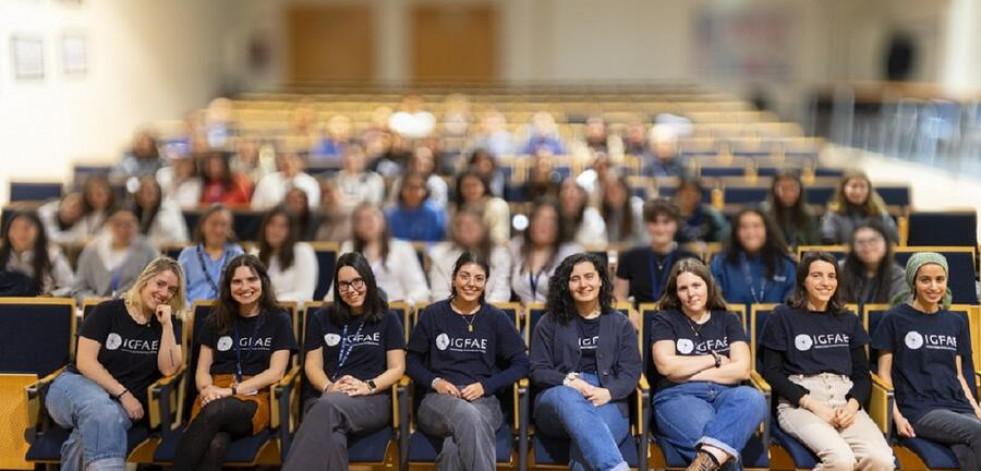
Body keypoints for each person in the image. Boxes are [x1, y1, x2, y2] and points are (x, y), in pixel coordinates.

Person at [45, 257, 185, 471]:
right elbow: (85, 361)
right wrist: (123, 393)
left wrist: (166, 326)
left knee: (88, 434)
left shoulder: (169, 324)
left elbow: (168, 369)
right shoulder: (108, 311)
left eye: (172, 290)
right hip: (75, 388)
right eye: (160, 284)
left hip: (120, 408)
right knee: (103, 410)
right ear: (144, 280)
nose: (164, 293)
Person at [761, 252, 894, 471]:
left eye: (831, 276)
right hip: (801, 401)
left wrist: (851, 407)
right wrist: (814, 406)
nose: (826, 283)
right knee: (841, 461)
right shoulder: (783, 316)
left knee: (882, 461)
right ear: (803, 280)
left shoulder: (848, 319)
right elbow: (772, 372)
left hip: (845, 400)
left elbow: (862, 374)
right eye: (817, 275)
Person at [171, 254, 297, 471]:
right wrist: (207, 389)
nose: (244, 287)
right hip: (213, 392)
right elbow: (201, 370)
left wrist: (229, 392)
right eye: (236, 282)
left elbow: (275, 372)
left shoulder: (279, 319)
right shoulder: (216, 319)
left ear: (262, 282)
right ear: (228, 287)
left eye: (251, 279)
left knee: (217, 410)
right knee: (216, 443)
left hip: (255, 395)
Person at [282, 252, 406, 471]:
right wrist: (329, 387)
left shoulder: (388, 317)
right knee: (334, 435)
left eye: (357, 282)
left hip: (371, 400)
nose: (351, 290)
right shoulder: (322, 318)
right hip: (325, 395)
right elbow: (312, 364)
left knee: (326, 410)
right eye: (344, 285)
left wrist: (368, 386)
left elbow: (398, 367)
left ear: (368, 280)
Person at [406, 252, 529, 471]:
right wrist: (435, 382)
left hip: (485, 401)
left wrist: (486, 386)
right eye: (465, 276)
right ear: (453, 279)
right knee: (466, 415)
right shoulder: (433, 315)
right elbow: (411, 361)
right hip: (437, 400)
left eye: (479, 278)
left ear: (486, 283)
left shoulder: (495, 318)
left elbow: (521, 363)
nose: (471, 284)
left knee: (453, 448)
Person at [650, 258, 767, 471]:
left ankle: (702, 464)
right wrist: (714, 359)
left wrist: (684, 371)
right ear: (676, 293)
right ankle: (708, 460)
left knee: (754, 397)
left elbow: (741, 369)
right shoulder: (664, 319)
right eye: (683, 288)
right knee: (725, 454)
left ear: (708, 285)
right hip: (679, 396)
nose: (691, 293)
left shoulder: (728, 319)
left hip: (727, 396)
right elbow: (666, 368)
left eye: (696, 285)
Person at [529, 252, 642, 471]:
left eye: (589, 276)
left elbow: (631, 371)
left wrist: (608, 393)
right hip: (557, 402)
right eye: (575, 279)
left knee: (588, 444)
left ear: (601, 279)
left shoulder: (621, 324)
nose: (583, 284)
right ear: (566, 285)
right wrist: (568, 381)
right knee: (568, 398)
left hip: (608, 399)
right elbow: (537, 369)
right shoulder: (548, 322)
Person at [872, 252, 981, 471]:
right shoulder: (894, 319)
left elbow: (958, 374)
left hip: (957, 406)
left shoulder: (955, 321)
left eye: (939, 280)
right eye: (925, 280)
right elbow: (884, 375)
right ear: (913, 282)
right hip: (920, 409)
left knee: (966, 449)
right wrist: (897, 417)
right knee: (978, 433)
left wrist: (976, 408)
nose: (933, 287)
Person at [329, 203, 430, 305]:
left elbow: (420, 290)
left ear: (382, 220)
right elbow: (335, 290)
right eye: (359, 220)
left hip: (393, 311)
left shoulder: (402, 249)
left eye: (369, 219)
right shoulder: (348, 248)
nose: (364, 224)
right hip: (355, 312)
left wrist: (406, 303)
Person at [615, 198, 699, 306]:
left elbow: (698, 298)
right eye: (654, 222)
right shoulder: (630, 257)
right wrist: (630, 314)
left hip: (679, 319)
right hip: (639, 320)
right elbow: (619, 295)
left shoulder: (691, 259)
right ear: (647, 225)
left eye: (666, 222)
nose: (660, 229)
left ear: (676, 225)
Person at [710, 208, 796, 306]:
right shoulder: (720, 264)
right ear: (736, 233)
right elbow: (715, 305)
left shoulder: (785, 264)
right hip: (731, 321)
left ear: (767, 230)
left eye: (756, 226)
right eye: (744, 227)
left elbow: (792, 306)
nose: (750, 232)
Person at [72, 207, 159, 302]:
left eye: (129, 225)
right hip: (97, 308)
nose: (123, 229)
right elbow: (78, 289)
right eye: (117, 224)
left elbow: (157, 285)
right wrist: (94, 300)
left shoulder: (148, 251)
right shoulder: (92, 252)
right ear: (107, 224)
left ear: (137, 225)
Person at [429, 207, 511, 303]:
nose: (468, 228)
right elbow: (440, 294)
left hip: (490, 314)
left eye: (474, 223)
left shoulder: (500, 254)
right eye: (463, 224)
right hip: (450, 314)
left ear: (484, 227)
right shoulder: (440, 254)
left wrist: (482, 314)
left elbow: (501, 292)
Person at [510, 198, 583, 304]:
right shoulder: (516, 247)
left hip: (558, 317)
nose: (543, 224)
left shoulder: (571, 252)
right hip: (521, 318)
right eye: (538, 218)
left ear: (558, 226)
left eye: (550, 220)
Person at [178, 205, 245, 304]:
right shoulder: (187, 255)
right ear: (203, 226)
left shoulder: (237, 254)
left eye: (224, 225)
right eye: (214, 224)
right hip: (192, 312)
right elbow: (178, 291)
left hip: (227, 313)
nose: (218, 230)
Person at [0, 211, 74, 296]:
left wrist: (51, 296)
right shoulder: (2, 254)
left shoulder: (51, 254)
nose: (20, 233)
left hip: (41, 306)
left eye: (26, 228)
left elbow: (71, 287)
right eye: (15, 228)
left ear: (39, 230)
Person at [254, 205, 317, 302]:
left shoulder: (303, 252)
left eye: (282, 226)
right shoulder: (255, 254)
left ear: (291, 231)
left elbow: (305, 296)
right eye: (272, 224)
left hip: (291, 314)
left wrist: (271, 301)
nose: (275, 230)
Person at [820, 171, 898, 244]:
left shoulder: (880, 214)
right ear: (843, 189)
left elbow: (894, 240)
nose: (858, 191)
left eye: (862, 186)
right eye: (854, 186)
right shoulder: (834, 215)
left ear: (869, 190)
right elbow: (828, 241)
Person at [838, 221, 906, 306]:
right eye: (860, 242)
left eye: (873, 240)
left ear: (886, 243)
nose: (867, 246)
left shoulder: (899, 276)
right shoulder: (839, 271)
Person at [760, 171, 820, 249]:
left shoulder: (809, 213)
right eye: (783, 188)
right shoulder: (765, 213)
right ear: (774, 189)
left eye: (792, 188)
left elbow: (815, 244)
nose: (788, 193)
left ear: (800, 189)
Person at [386, 172, 447, 242]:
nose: (413, 192)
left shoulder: (436, 213)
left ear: (424, 191)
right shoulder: (391, 215)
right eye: (410, 187)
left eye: (417, 188)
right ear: (402, 190)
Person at [454, 171, 510, 246]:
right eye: (466, 186)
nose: (471, 190)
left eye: (474, 185)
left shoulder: (496, 205)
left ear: (484, 186)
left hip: (491, 250)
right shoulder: (455, 209)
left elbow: (499, 237)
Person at [131, 176, 189, 248]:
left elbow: (175, 241)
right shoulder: (140, 212)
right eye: (141, 192)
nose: (145, 196)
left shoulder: (168, 211)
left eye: (149, 192)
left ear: (158, 193)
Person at [251, 151, 321, 211]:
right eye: (283, 159)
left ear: (301, 163)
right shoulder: (266, 181)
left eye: (292, 159)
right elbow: (255, 207)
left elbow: (312, 208)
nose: (287, 163)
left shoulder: (311, 183)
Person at [674, 178, 729, 244]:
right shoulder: (671, 216)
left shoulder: (712, 215)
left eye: (694, 192)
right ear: (678, 194)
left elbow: (725, 237)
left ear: (700, 196)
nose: (689, 195)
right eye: (685, 192)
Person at [334, 143, 386, 210]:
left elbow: (373, 205)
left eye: (355, 154)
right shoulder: (336, 178)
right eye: (346, 154)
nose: (350, 158)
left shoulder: (374, 179)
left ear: (365, 157)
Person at [599, 174, 647, 246]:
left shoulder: (638, 209)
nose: (613, 193)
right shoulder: (608, 213)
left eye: (617, 189)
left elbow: (644, 241)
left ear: (626, 190)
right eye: (609, 190)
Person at [558, 177, 607, 246]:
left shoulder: (593, 218)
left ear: (583, 196)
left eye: (576, 189)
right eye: (566, 188)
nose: (570, 192)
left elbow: (599, 247)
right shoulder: (554, 218)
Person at [314, 179, 353, 243]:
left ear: (339, 193)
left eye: (329, 193)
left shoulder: (352, 216)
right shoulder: (321, 220)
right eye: (322, 195)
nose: (326, 199)